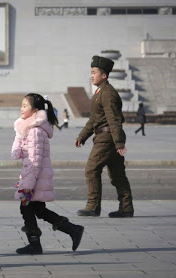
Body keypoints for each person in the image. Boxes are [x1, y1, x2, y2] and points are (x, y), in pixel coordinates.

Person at [11, 93, 84, 255]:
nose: (21, 108)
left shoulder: (35, 131)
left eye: (25, 105)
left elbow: (34, 161)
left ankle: (36, 243)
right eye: (21, 105)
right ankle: (72, 229)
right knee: (37, 209)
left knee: (27, 208)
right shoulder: (30, 129)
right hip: (34, 177)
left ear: (35, 110)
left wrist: (27, 185)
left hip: (34, 179)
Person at [75, 55, 134, 218]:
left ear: (104, 75)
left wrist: (119, 143)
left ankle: (93, 206)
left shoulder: (108, 93)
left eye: (94, 72)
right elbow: (94, 119)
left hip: (107, 139)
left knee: (91, 169)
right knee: (117, 175)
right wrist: (82, 136)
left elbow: (114, 119)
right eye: (91, 72)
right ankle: (126, 207)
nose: (92, 75)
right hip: (107, 137)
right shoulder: (99, 93)